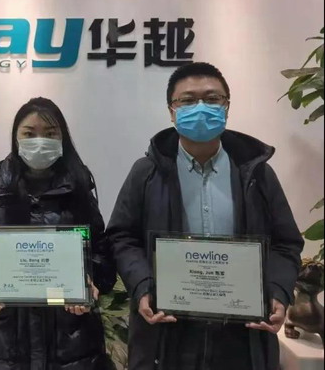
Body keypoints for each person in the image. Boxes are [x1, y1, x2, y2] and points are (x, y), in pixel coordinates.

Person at [107, 62, 304, 370]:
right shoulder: (146, 173)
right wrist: (143, 285)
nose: (200, 108)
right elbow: (122, 237)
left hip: (241, 336)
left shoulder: (257, 174)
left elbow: (286, 242)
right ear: (172, 111)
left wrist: (277, 290)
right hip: (169, 333)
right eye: (187, 100)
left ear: (227, 107)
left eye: (212, 99)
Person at [0, 97, 117, 370]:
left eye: (50, 134)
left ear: (62, 138)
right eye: (29, 134)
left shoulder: (79, 190)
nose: (40, 142)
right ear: (16, 138)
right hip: (0, 344)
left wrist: (89, 283)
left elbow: (102, 253)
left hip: (70, 346)